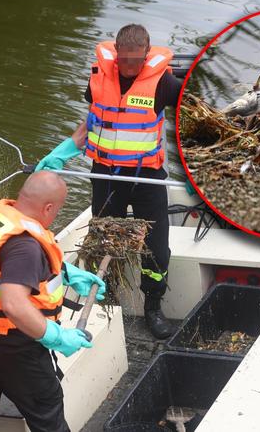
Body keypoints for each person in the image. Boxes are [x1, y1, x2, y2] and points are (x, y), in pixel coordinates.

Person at [36, 24, 182, 339]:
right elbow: (91, 121)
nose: (130, 67)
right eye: (124, 60)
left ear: (146, 53)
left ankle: (152, 307)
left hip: (147, 180)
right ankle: (108, 300)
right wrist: (60, 155)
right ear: (116, 53)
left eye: (136, 60)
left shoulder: (165, 84)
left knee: (158, 250)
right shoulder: (98, 78)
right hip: (105, 177)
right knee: (102, 242)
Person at [0, 170, 106, 432]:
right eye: (57, 209)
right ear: (48, 207)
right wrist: (55, 336)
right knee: (47, 412)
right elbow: (14, 304)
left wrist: (65, 274)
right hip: (13, 350)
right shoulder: (26, 246)